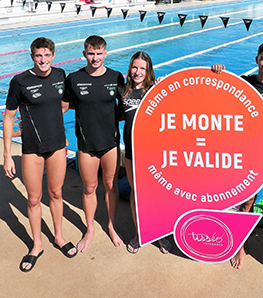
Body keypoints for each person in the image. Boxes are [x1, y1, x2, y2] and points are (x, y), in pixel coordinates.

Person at [212, 41, 263, 273]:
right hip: (249, 152)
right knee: (246, 201)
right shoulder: (245, 83)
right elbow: (217, 94)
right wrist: (218, 72)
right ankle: (241, 245)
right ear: (256, 59)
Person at [3, 37, 77, 272]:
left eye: (47, 55)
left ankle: (59, 237)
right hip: (32, 149)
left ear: (53, 56)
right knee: (34, 199)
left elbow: (64, 105)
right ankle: (36, 244)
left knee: (56, 193)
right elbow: (8, 118)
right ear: (32, 56)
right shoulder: (19, 81)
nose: (43, 60)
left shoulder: (60, 75)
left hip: (56, 146)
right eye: (38, 55)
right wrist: (6, 155)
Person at [64, 35, 124, 252]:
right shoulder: (74, 79)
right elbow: (63, 106)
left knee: (111, 186)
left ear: (105, 54)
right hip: (86, 145)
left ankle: (111, 225)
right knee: (89, 188)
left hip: (110, 143)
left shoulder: (116, 77)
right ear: (84, 54)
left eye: (99, 53)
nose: (95, 58)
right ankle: (89, 229)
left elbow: (127, 105)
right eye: (91, 53)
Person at [120, 51, 171, 254]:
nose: (138, 72)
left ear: (148, 70)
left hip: (152, 153)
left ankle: (159, 233)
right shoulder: (123, 90)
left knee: (155, 195)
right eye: (134, 67)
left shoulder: (156, 90)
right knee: (136, 193)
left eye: (142, 68)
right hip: (131, 151)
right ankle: (140, 232)